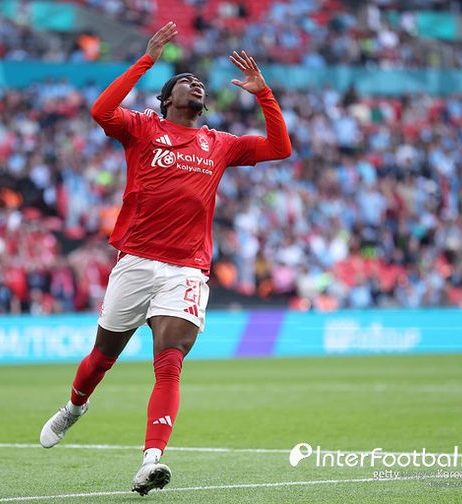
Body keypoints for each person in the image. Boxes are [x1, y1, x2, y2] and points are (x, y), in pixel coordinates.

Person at [39, 21, 291, 495]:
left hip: (186, 269)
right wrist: (148, 59)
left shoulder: (219, 143)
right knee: (102, 357)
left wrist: (264, 94)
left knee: (169, 364)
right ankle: (74, 407)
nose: (196, 84)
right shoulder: (142, 128)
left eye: (199, 83)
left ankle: (151, 461)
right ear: (166, 98)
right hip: (136, 260)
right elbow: (100, 110)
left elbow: (280, 148)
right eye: (185, 82)